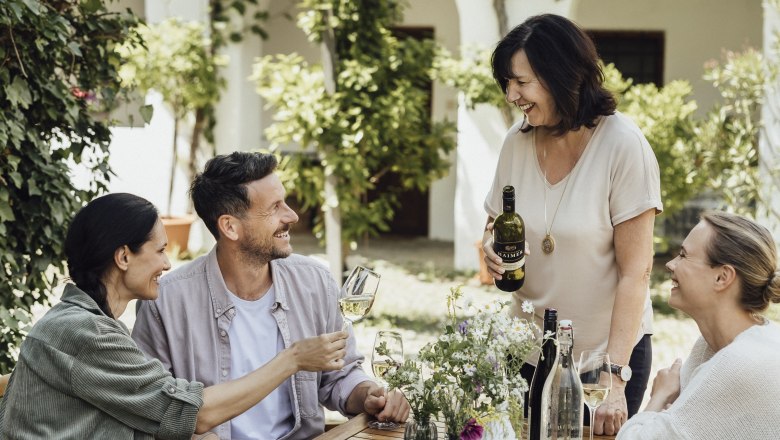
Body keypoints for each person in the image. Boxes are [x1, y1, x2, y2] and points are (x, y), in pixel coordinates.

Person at [0, 193, 348, 439]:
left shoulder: (87, 325)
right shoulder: (83, 333)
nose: (167, 264)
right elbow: (194, 413)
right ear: (124, 257)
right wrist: (293, 359)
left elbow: (143, 411)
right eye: (160, 250)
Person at [132, 152, 409, 440]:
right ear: (230, 227)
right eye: (275, 207)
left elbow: (340, 375)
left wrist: (367, 395)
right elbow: (152, 410)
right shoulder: (166, 302)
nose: (292, 216)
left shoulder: (314, 281)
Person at [482, 14, 663, 435]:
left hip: (602, 359)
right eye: (506, 82)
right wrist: (490, 247)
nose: (512, 95)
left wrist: (614, 379)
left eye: (521, 82)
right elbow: (493, 224)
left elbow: (637, 272)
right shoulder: (517, 141)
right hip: (526, 352)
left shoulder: (623, 145)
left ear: (560, 75)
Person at [618, 211, 780, 439]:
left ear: (722, 277)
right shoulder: (713, 345)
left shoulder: (741, 362)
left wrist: (660, 395)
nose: (671, 264)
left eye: (683, 256)